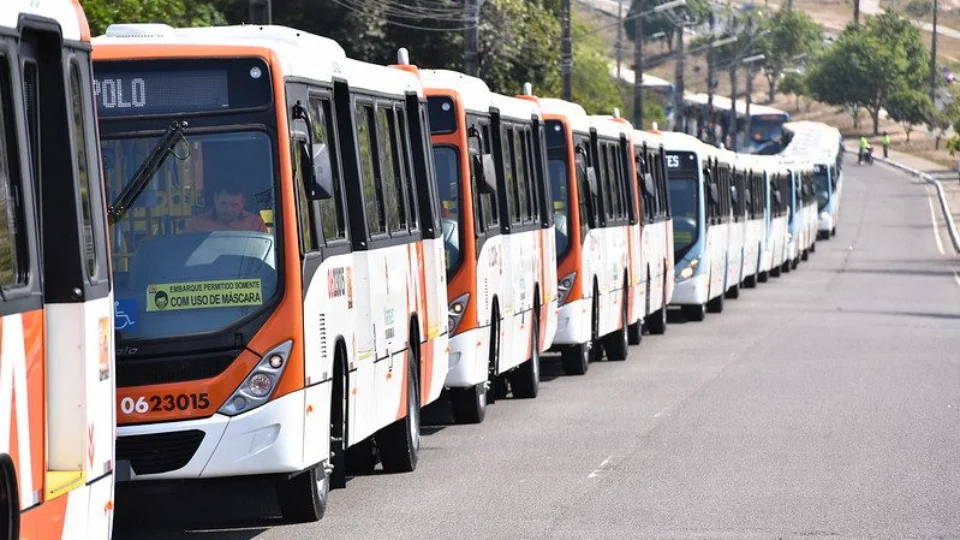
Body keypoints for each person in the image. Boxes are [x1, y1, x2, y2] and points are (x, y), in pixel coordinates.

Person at [187, 185, 268, 233]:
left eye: (234, 205)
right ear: (215, 198)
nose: (229, 209)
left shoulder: (256, 223)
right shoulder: (197, 224)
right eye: (224, 203)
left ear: (243, 202)